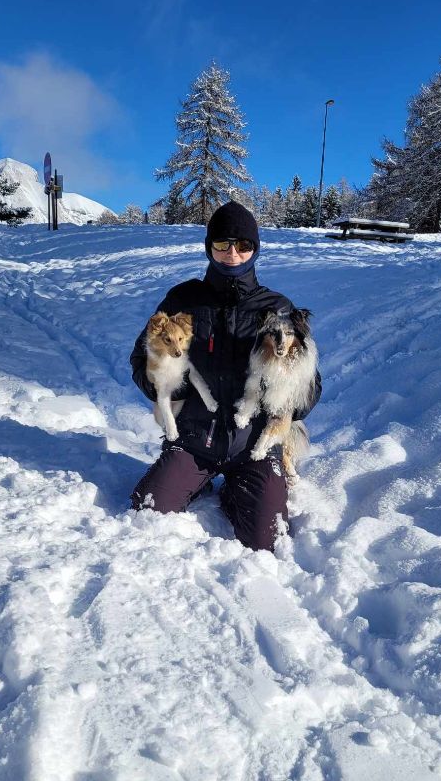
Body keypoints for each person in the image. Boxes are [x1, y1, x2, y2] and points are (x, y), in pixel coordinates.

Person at [129, 201, 321, 552]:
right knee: (147, 509)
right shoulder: (183, 298)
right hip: (194, 438)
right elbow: (142, 358)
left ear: (255, 249)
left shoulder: (276, 307)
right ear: (209, 247)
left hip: (254, 445)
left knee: (267, 539)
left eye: (243, 245)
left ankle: (238, 487)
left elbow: (311, 382)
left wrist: (286, 401)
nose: (232, 252)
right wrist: (173, 391)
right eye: (222, 244)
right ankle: (196, 480)